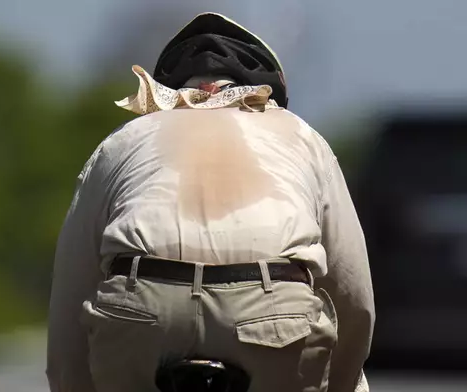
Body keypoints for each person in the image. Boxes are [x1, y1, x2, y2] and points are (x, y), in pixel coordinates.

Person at [46, 12, 375, 392]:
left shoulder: (123, 140)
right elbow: (354, 295)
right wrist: (344, 382)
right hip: (270, 318)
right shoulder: (303, 138)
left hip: (142, 312)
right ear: (265, 92)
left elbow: (72, 289)